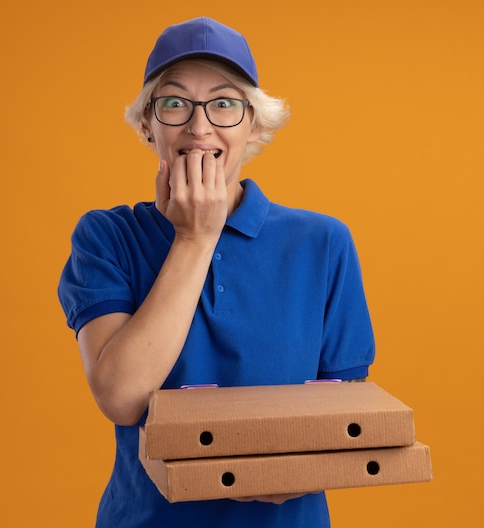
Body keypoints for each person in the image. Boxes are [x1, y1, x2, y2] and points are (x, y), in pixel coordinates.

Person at [58, 16, 375, 528]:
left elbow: (347, 418)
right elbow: (120, 397)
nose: (199, 127)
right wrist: (195, 237)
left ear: (254, 125)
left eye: (224, 104)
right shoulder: (105, 237)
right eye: (174, 103)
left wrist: (291, 472)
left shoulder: (322, 242)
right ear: (148, 123)